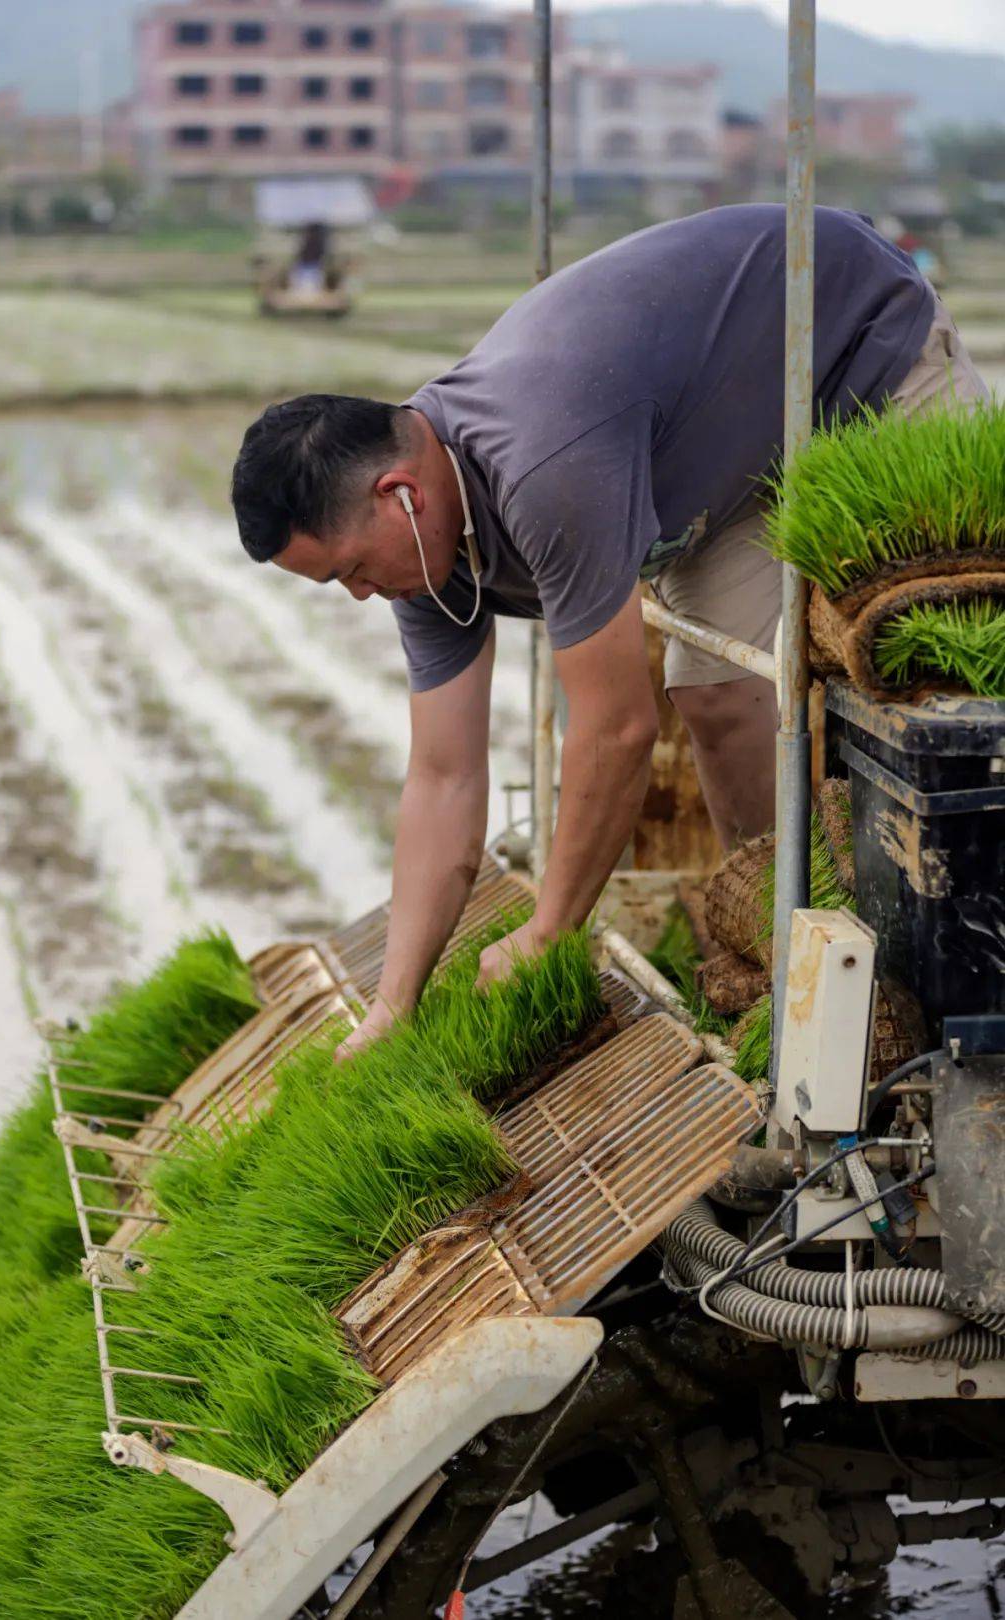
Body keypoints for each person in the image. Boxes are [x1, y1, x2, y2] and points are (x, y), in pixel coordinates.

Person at [230, 204, 988, 1057]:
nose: (364, 596)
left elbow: (615, 730)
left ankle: (948, 969)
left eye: (348, 572)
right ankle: (796, 956)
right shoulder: (423, 554)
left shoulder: (542, 463)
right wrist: (392, 1006)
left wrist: (549, 931)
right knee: (721, 697)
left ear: (397, 492)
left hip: (859, 347)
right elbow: (443, 776)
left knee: (940, 672)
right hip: (731, 458)